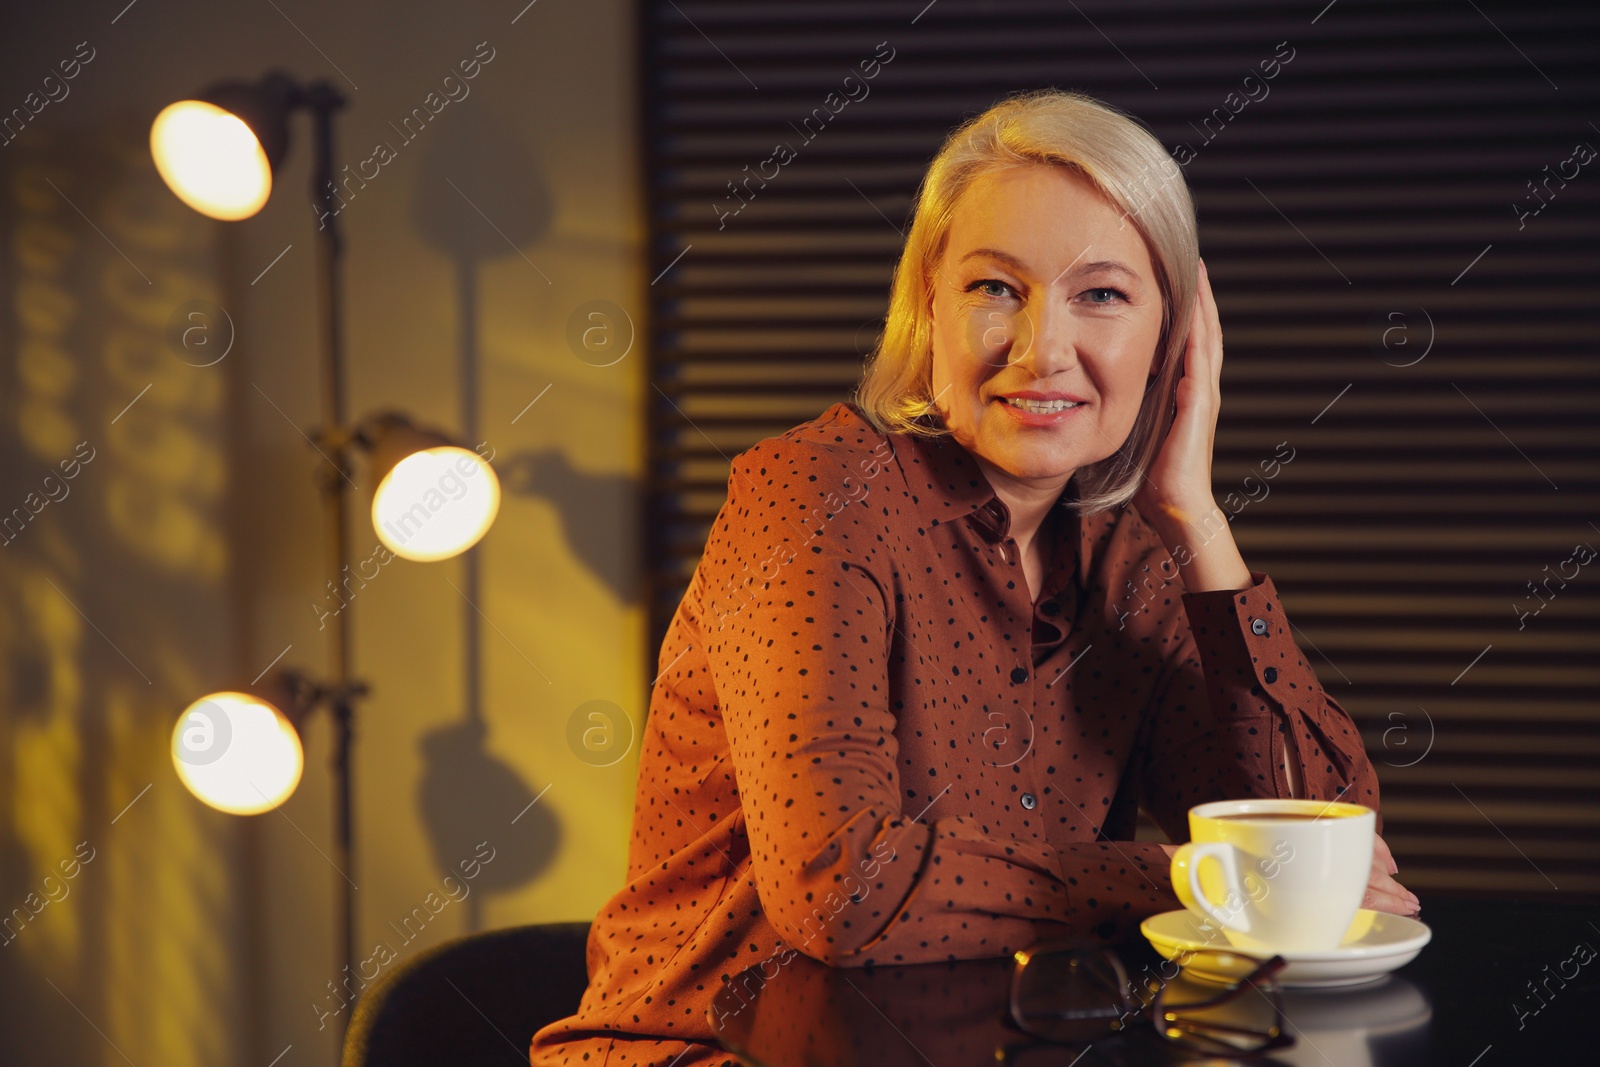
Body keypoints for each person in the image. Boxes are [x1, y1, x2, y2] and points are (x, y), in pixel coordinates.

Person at [530, 88, 1416, 1067]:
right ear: (927, 306)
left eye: (1102, 294)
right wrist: (1191, 877)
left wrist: (1197, 519)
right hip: (701, 1051)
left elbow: (1324, 851)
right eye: (996, 287)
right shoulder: (814, 496)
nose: (1041, 349)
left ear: (1173, 341)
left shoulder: (1134, 557)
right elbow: (841, 890)